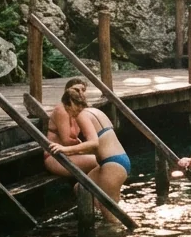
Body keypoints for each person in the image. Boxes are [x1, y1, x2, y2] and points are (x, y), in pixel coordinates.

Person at [49, 87, 130, 223]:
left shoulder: (82, 115)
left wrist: (65, 149)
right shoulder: (96, 111)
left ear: (69, 104)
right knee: (80, 188)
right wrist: (79, 149)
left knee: (111, 215)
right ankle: (100, 223)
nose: (68, 114)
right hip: (120, 159)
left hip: (112, 164)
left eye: (67, 109)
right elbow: (103, 142)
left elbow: (94, 143)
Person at [43, 77, 98, 178]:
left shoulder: (78, 111)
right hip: (56, 157)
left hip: (71, 153)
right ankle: (84, 190)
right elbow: (67, 141)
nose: (80, 93)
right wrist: (86, 147)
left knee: (105, 158)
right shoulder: (62, 109)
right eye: (76, 90)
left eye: (83, 90)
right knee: (100, 162)